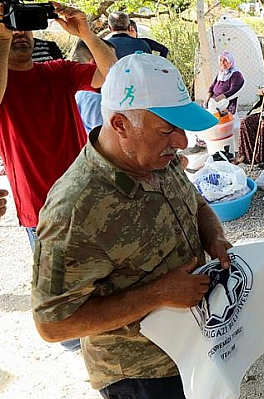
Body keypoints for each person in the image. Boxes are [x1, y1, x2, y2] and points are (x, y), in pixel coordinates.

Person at [32, 53, 231, 399]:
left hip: (197, 344)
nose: (183, 142)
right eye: (168, 129)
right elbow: (52, 323)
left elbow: (195, 203)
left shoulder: (154, 157)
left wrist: (215, 238)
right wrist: (157, 294)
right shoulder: (74, 209)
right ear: (121, 125)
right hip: (143, 377)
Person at [0, 3, 117, 251]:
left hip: (86, 198)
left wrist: (86, 32)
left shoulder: (58, 71)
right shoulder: (3, 88)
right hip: (42, 212)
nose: (19, 33)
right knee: (61, 290)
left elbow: (113, 74)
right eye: (11, 26)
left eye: (23, 26)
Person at [72, 39, 116, 133]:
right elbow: (109, 135)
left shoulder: (79, 93)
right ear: (94, 63)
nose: (117, 65)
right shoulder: (95, 100)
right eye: (112, 61)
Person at [203, 51, 245, 116]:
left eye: (225, 60)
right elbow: (211, 87)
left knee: (209, 111)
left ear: (230, 61)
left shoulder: (236, 75)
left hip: (226, 102)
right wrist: (207, 98)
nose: (222, 63)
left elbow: (232, 91)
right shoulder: (221, 73)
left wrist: (216, 100)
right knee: (198, 111)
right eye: (220, 60)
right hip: (213, 101)